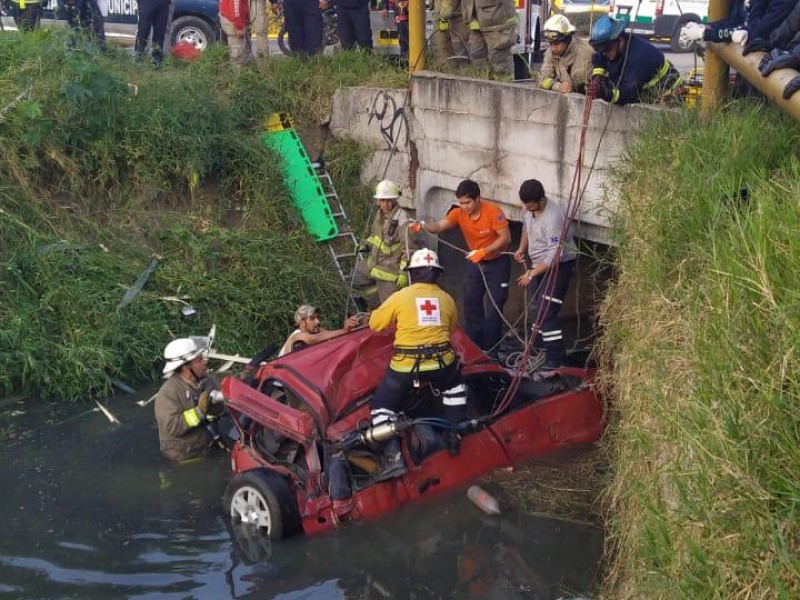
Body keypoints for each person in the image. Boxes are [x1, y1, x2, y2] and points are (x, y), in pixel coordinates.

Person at [368, 248, 468, 480]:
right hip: (443, 365)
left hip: (406, 368)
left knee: (382, 405)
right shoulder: (447, 299)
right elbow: (451, 329)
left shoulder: (401, 297)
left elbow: (375, 324)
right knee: (455, 389)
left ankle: (393, 457)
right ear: (437, 274)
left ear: (413, 273)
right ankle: (454, 435)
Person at [412, 179, 511, 354]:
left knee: (495, 307)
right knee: (471, 302)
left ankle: (492, 349)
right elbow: (439, 226)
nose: (464, 207)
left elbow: (505, 238)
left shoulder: (493, 212)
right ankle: (474, 346)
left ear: (477, 198)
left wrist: (484, 251)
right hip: (476, 262)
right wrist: (422, 225)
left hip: (497, 262)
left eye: (468, 202)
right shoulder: (459, 213)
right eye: (461, 203)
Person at [513, 179, 577, 370]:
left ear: (541, 199)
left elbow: (554, 256)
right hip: (537, 264)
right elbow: (526, 228)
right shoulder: (529, 210)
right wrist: (521, 248)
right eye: (526, 206)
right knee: (536, 308)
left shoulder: (553, 218)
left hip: (559, 266)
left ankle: (555, 358)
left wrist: (531, 274)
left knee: (547, 311)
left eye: (531, 206)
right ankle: (539, 350)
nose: (528, 209)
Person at [155, 337, 227, 461]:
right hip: (185, 456)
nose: (205, 362)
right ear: (186, 367)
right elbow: (172, 427)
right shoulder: (168, 393)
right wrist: (199, 412)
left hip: (209, 445)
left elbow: (221, 410)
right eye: (199, 360)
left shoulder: (208, 381)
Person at [588, 15, 682, 106]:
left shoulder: (639, 56)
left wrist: (608, 94)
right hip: (646, 92)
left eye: (606, 49)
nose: (604, 53)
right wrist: (597, 76)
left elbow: (630, 93)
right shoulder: (611, 48)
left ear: (620, 40)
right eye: (599, 49)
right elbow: (598, 58)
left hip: (669, 96)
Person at [352, 179, 417, 311]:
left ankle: (381, 302)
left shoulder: (403, 221)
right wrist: (366, 245)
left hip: (390, 272)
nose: (386, 204)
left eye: (389, 200)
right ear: (378, 201)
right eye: (382, 200)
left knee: (390, 307)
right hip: (373, 264)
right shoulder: (380, 215)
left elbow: (409, 250)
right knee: (355, 276)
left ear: (395, 200)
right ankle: (374, 300)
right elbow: (375, 236)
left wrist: (403, 273)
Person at [538, 14, 593, 95]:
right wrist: (557, 86)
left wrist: (572, 86)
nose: (553, 48)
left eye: (556, 43)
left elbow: (582, 83)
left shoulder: (584, 52)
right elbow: (542, 79)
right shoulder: (551, 52)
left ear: (567, 39)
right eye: (550, 43)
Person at [461, 0, 516, 77]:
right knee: (477, 57)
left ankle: (502, 85)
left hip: (496, 23)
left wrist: (507, 26)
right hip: (476, 24)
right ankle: (482, 83)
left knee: (500, 61)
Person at [280, 304, 361, 356]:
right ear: (302, 322)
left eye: (318, 317)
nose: (318, 321)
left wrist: (359, 327)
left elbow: (334, 335)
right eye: (312, 318)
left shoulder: (315, 331)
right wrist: (344, 330)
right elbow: (318, 338)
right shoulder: (297, 336)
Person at [429, 0, 478, 70]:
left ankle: (452, 72)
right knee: (443, 46)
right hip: (445, 14)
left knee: (447, 46)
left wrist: (444, 17)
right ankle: (450, 71)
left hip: (451, 15)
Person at [135, 0, 171, 65]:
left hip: (163, 3)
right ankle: (139, 58)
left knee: (160, 33)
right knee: (143, 30)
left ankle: (156, 61)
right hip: (146, 2)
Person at [220, 0, 252, 68]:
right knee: (237, 51)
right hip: (233, 20)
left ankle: (239, 71)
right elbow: (235, 8)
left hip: (230, 17)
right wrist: (239, 26)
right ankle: (237, 75)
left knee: (244, 48)